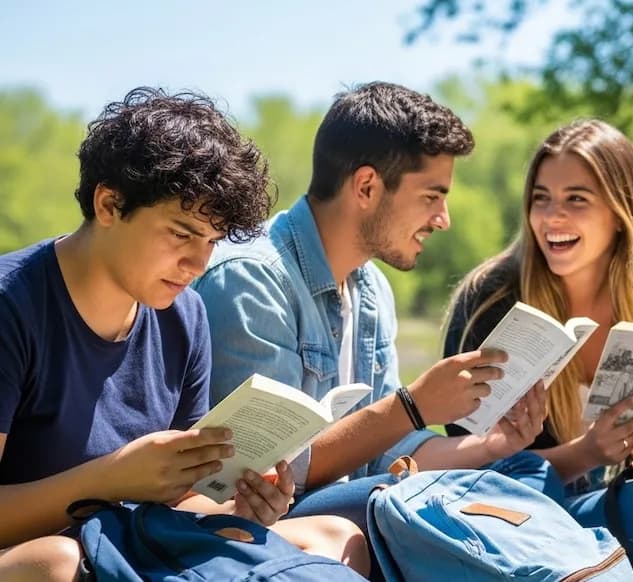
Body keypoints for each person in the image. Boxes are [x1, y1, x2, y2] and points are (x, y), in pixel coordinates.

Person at [0, 88, 369, 580]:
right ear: (109, 204)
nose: (198, 264)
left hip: (131, 547)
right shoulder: (12, 306)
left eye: (212, 242)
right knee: (55, 565)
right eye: (181, 233)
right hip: (43, 557)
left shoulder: (184, 315)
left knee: (336, 536)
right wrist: (108, 480)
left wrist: (243, 506)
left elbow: (181, 501)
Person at [192, 81, 549, 533]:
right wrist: (413, 404)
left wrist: (493, 444)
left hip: (354, 506)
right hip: (277, 525)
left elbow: (387, 447)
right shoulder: (251, 280)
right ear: (366, 187)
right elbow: (273, 472)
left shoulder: (372, 288)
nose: (443, 219)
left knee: (527, 471)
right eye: (431, 196)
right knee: (407, 503)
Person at [443, 118, 633, 579]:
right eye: (541, 199)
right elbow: (463, 466)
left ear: (619, 212)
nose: (552, 218)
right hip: (515, 515)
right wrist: (585, 453)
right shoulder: (492, 299)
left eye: (576, 200)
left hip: (627, 495)